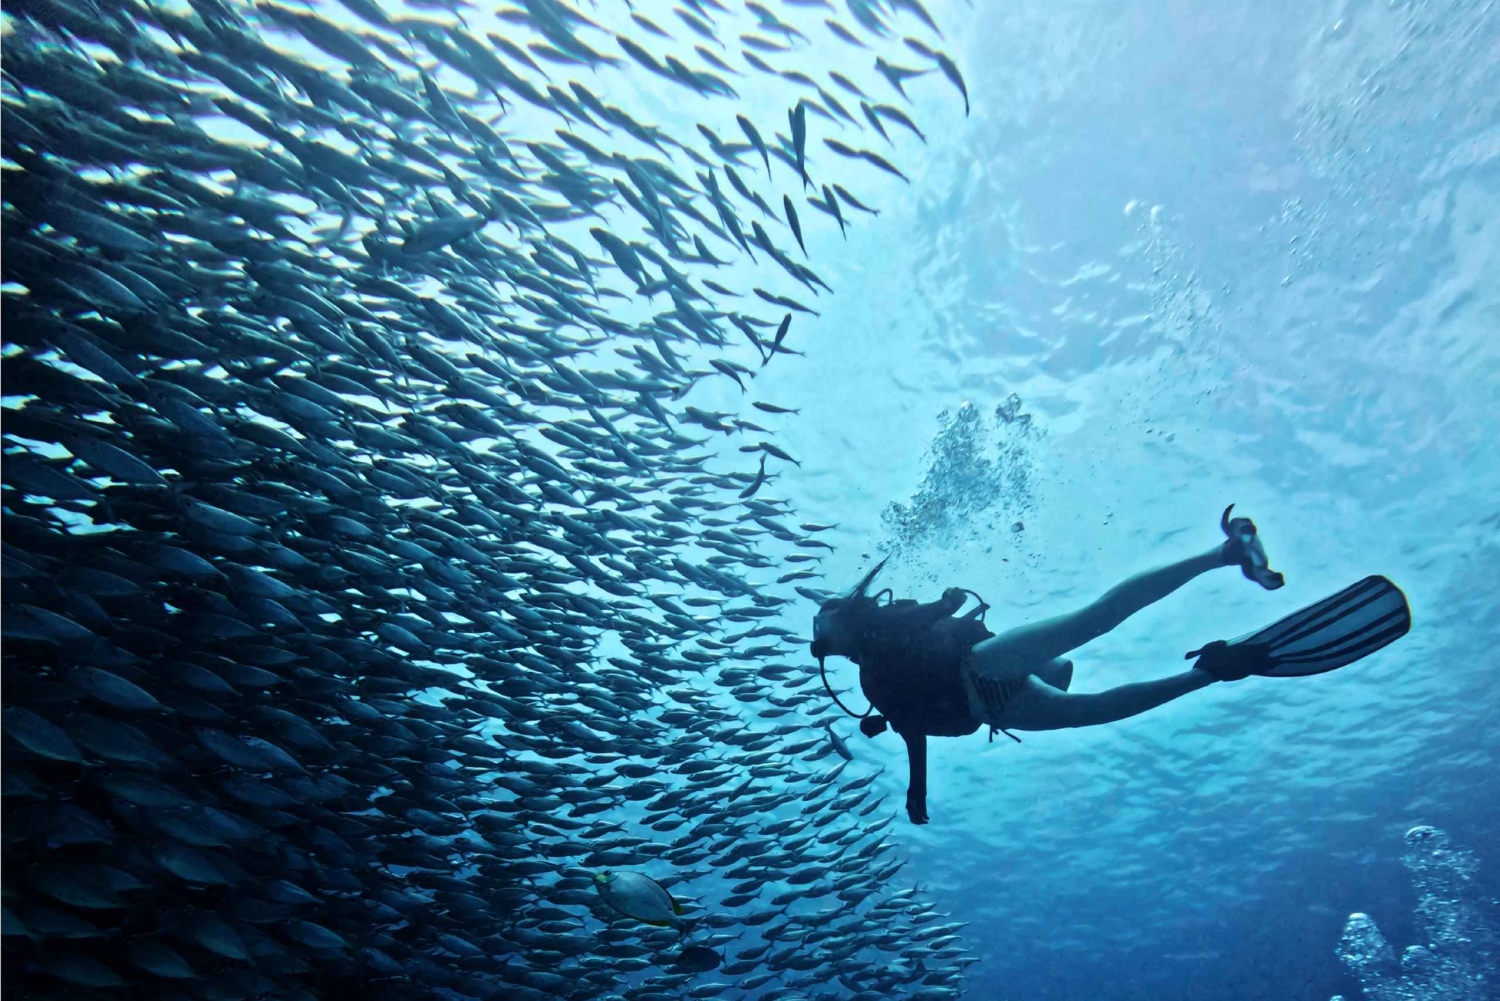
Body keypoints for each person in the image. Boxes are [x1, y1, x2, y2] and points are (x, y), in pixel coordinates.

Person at [810, 506, 1411, 825]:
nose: (819, 643)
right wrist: (916, 789)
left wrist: (943, 608)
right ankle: (1218, 651)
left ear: (842, 618)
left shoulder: (879, 636)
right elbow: (912, 729)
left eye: (820, 630)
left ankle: (1224, 578)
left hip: (980, 674)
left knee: (1094, 650)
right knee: (1094, 681)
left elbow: (918, 634)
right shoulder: (871, 675)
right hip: (994, 698)